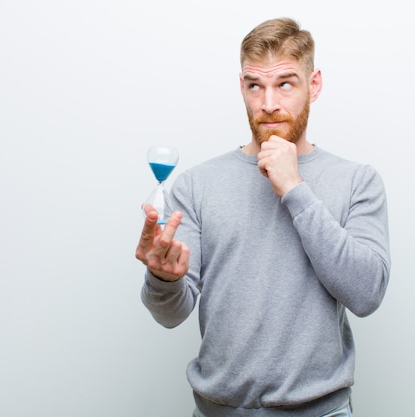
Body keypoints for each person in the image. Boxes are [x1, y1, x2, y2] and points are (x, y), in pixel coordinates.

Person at [136, 17, 390, 417]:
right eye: (256, 85)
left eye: (285, 83)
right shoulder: (196, 185)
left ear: (315, 84)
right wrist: (163, 278)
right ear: (242, 88)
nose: (268, 103)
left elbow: (367, 294)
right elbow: (171, 314)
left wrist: (295, 190)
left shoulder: (357, 181)